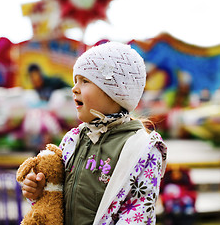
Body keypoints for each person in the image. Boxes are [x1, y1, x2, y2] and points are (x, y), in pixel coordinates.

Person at [21, 42, 167, 224]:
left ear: (115, 92)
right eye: (75, 81)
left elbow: (138, 213)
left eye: (85, 81)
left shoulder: (142, 149)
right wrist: (40, 190)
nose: (74, 88)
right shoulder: (73, 140)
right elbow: (56, 197)